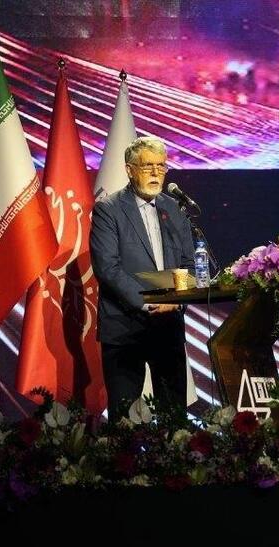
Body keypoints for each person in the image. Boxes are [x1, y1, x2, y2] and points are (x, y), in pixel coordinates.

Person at [90, 135, 192, 418]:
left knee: (174, 420)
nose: (156, 173)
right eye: (148, 166)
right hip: (125, 328)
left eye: (161, 166)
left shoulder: (175, 209)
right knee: (125, 420)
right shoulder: (108, 209)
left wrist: (177, 301)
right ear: (130, 169)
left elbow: (189, 263)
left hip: (168, 327)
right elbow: (108, 267)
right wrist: (149, 302)